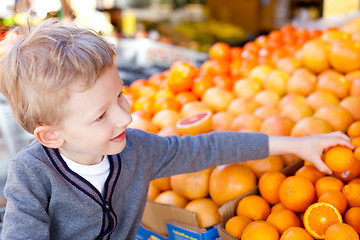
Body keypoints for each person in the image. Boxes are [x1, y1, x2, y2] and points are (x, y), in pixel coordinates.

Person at [0, 18, 353, 240]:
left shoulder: (136, 150)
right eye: (100, 115)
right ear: (50, 136)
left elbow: (210, 148)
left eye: (121, 96)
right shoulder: (31, 173)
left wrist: (295, 143)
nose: (125, 117)